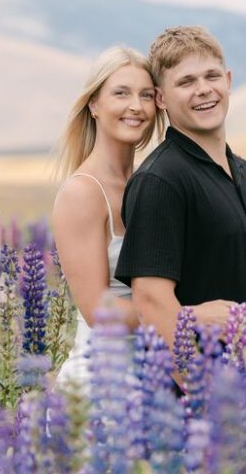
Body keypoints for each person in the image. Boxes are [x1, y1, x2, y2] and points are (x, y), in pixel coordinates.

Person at [115, 25, 246, 386]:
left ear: (229, 80)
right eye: (186, 82)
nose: (203, 89)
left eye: (211, 76)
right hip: (213, 401)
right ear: (160, 98)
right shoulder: (160, 180)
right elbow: (152, 300)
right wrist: (200, 397)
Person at [51, 46, 164, 390]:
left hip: (153, 378)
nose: (136, 106)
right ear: (94, 105)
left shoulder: (149, 183)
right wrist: (191, 317)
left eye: (146, 95)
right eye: (121, 93)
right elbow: (97, 310)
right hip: (98, 387)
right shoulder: (82, 192)